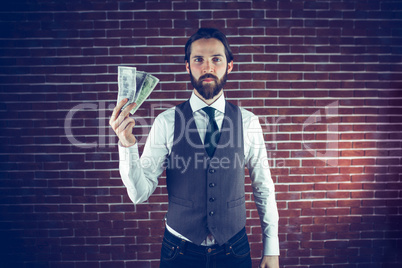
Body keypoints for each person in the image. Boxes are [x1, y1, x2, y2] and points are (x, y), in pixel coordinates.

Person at [110, 28, 279, 268]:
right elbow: (139, 193)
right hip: (179, 252)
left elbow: (263, 187)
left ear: (229, 66)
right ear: (187, 66)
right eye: (198, 59)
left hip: (235, 250)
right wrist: (127, 145)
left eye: (216, 59)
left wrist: (271, 249)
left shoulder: (248, 122)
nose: (207, 67)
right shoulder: (166, 121)